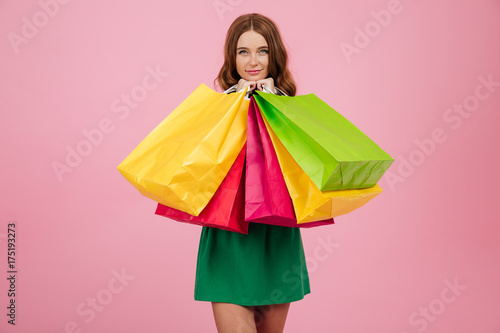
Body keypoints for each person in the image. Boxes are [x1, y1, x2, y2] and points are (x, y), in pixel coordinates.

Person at [194, 13, 309, 333]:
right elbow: (201, 167)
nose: (253, 61)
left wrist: (275, 103)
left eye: (262, 51)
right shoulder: (216, 109)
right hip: (229, 233)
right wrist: (236, 103)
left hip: (276, 235)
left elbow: (301, 170)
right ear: (232, 57)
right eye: (243, 51)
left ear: (275, 55)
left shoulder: (293, 110)